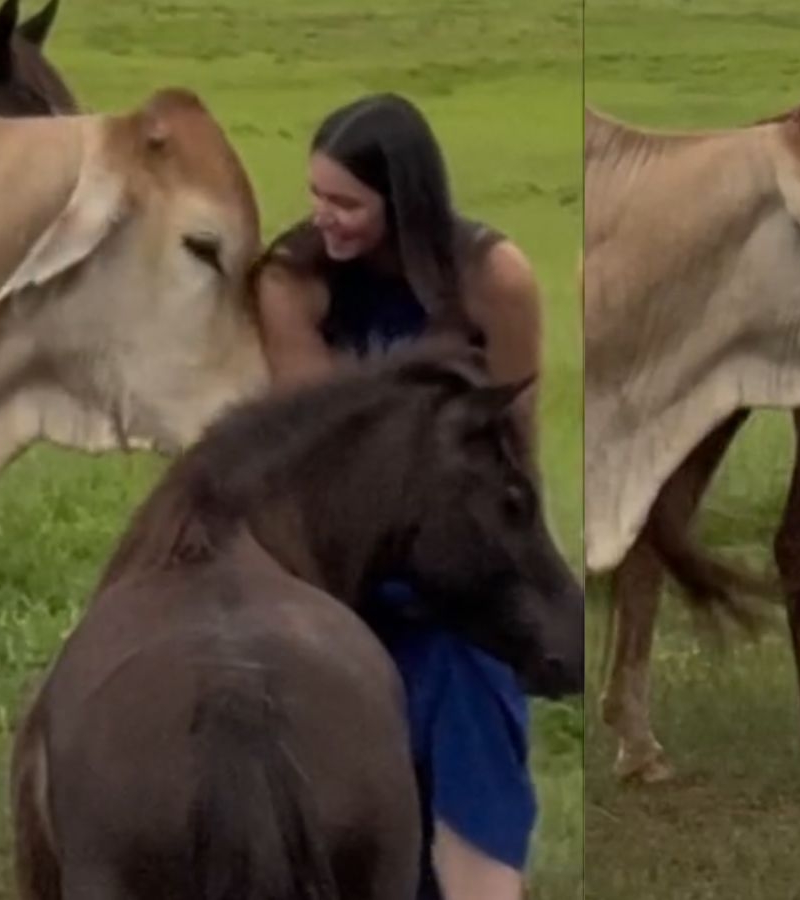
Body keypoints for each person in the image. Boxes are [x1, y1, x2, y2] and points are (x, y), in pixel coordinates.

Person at [251, 92, 547, 899]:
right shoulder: (291, 282)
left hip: (457, 568)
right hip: (343, 568)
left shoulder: (495, 277)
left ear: (404, 197)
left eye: (346, 203)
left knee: (472, 729)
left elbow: (517, 446)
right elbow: (330, 447)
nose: (324, 219)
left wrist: (514, 572)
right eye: (316, 197)